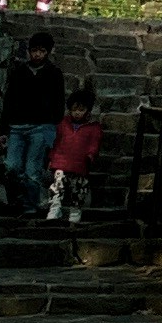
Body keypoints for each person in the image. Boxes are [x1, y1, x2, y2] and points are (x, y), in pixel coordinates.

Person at [0, 30, 64, 213]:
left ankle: (30, 206)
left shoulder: (54, 73)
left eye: (42, 51)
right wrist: (4, 129)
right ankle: (17, 199)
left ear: (48, 52)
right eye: (34, 50)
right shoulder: (19, 72)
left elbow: (59, 102)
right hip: (16, 126)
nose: (37, 54)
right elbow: (9, 101)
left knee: (32, 170)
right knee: (11, 166)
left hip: (40, 127)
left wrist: (52, 126)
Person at [43, 82, 106, 227]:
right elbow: (56, 142)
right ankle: (55, 208)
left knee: (78, 189)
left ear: (87, 111)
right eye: (74, 110)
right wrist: (52, 158)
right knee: (57, 187)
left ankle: (75, 211)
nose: (77, 113)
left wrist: (91, 155)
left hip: (80, 163)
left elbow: (94, 144)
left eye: (81, 110)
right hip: (61, 162)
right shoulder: (63, 124)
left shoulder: (93, 128)